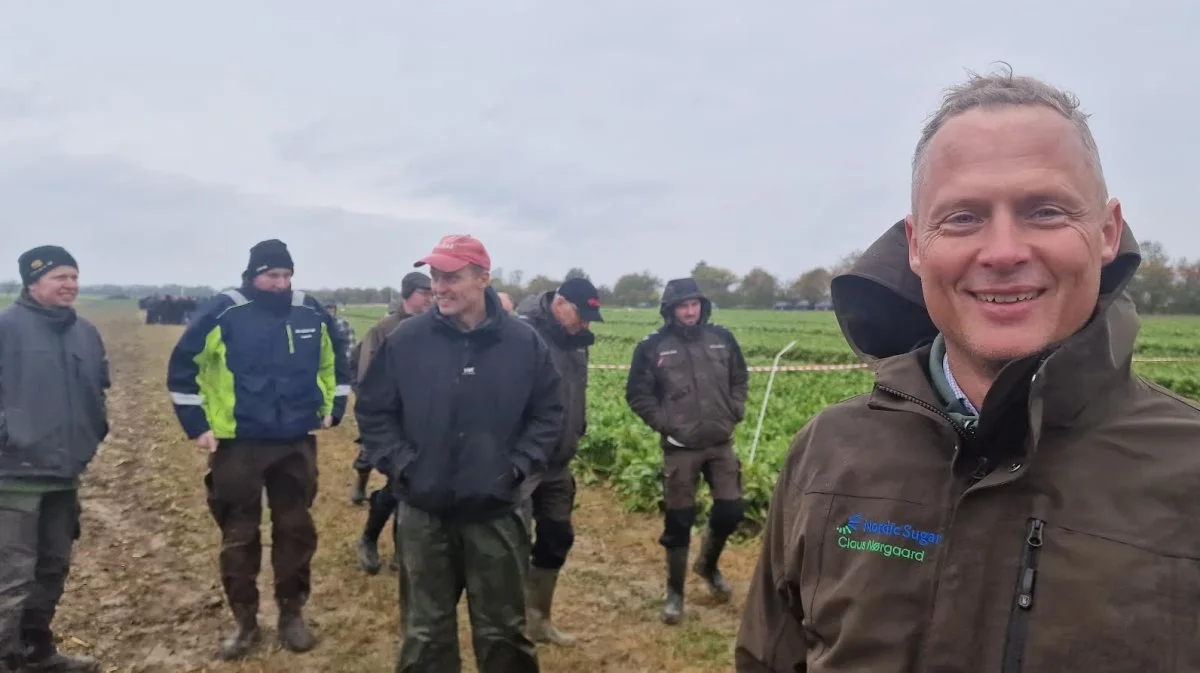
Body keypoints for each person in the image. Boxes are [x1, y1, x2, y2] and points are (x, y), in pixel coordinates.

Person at [735, 68, 1200, 672]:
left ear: (1107, 232)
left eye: (1046, 210)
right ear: (916, 244)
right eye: (962, 217)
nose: (1003, 251)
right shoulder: (829, 450)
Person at [355, 234, 563, 673]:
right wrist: (404, 467)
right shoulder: (407, 340)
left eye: (451, 276)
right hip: (424, 515)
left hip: (497, 514)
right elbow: (375, 412)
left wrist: (516, 468)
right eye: (434, 276)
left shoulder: (523, 344)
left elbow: (548, 416)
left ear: (483, 278)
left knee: (504, 632)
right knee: (425, 634)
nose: (439, 287)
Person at [165, 239, 351, 661]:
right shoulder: (224, 310)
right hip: (239, 444)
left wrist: (333, 406)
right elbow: (182, 367)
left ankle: (291, 614)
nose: (280, 283)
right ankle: (245, 621)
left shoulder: (309, 310)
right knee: (239, 535)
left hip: (295, 442)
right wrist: (197, 426)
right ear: (252, 276)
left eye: (286, 275)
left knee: (296, 530)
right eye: (271, 275)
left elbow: (335, 359)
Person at [0, 247, 107, 673]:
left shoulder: (86, 333)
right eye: (58, 277)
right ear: (32, 281)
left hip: (65, 474)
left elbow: (98, 389)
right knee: (12, 576)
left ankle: (36, 651)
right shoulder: (6, 328)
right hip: (13, 477)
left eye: (74, 277)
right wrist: (11, 434)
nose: (69, 285)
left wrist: (93, 431)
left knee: (52, 568)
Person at [625, 277, 749, 625]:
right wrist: (666, 423)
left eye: (695, 304)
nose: (690, 311)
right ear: (671, 309)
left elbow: (740, 377)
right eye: (683, 305)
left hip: (720, 442)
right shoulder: (653, 347)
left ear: (702, 306)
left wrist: (735, 409)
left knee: (731, 510)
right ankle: (675, 593)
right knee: (679, 521)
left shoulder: (722, 339)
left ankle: (707, 566)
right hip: (680, 448)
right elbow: (638, 394)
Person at [514, 277, 603, 646]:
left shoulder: (577, 345)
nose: (584, 324)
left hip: (558, 463)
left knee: (557, 536)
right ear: (560, 303)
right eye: (580, 315)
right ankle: (508, 627)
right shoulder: (522, 335)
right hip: (521, 461)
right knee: (511, 545)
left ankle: (538, 620)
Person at [352, 271, 433, 580]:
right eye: (424, 293)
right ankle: (370, 539)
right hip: (394, 425)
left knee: (409, 488)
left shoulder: (434, 328)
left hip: (423, 422)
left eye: (431, 292)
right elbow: (367, 379)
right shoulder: (384, 330)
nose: (430, 297)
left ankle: (402, 551)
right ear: (408, 295)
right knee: (399, 486)